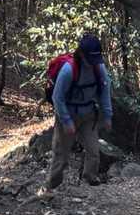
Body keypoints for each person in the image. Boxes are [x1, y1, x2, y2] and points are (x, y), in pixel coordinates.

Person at [47, 33, 113, 189]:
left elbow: (105, 92)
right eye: (90, 59)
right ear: (82, 54)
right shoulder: (68, 70)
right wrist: (66, 121)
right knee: (61, 155)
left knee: (93, 151)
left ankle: (90, 178)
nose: (93, 63)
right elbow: (57, 98)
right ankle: (51, 186)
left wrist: (108, 116)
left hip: (88, 115)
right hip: (68, 114)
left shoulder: (99, 68)